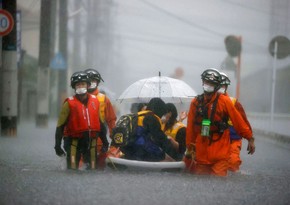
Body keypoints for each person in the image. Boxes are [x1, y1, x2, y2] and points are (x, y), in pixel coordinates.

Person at [185, 68, 255, 176]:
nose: (208, 85)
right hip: (202, 151)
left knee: (219, 180)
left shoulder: (225, 101)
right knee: (200, 181)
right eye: (207, 82)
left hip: (220, 150)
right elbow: (190, 127)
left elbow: (238, 121)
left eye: (211, 83)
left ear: (217, 85)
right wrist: (189, 147)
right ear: (203, 82)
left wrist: (250, 138)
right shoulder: (196, 102)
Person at [54, 71, 101, 170]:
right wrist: (57, 145)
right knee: (72, 169)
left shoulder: (95, 101)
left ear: (88, 85)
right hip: (73, 142)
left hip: (91, 142)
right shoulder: (68, 103)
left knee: (93, 169)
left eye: (83, 84)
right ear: (74, 87)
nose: (80, 87)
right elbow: (60, 126)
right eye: (78, 85)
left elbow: (100, 122)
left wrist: (105, 142)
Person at [121, 98, 178, 162]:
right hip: (139, 151)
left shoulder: (138, 115)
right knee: (164, 156)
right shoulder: (152, 118)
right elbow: (161, 139)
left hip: (126, 149)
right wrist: (176, 156)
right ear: (160, 110)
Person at [219, 72, 253, 172]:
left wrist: (250, 138)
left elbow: (243, 121)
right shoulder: (208, 102)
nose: (221, 87)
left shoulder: (233, 102)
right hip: (217, 140)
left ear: (226, 86)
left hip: (234, 139)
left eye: (223, 85)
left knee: (233, 163)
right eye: (219, 85)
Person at [84, 68, 117, 169]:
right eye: (88, 80)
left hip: (99, 142)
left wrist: (114, 141)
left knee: (98, 168)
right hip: (80, 140)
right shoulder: (77, 99)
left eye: (93, 80)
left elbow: (111, 120)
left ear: (98, 82)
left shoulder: (104, 99)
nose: (91, 83)